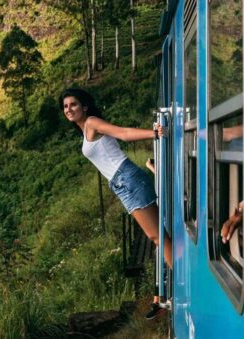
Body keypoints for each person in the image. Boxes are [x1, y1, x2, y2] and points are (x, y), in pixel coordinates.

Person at [61, 88, 172, 320]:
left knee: (157, 236)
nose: (69, 109)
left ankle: (179, 288)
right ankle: (162, 294)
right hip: (122, 183)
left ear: (85, 106)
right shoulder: (84, 130)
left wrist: (153, 133)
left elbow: (123, 133)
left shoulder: (91, 122)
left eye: (73, 104)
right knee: (157, 236)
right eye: (65, 106)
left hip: (127, 178)